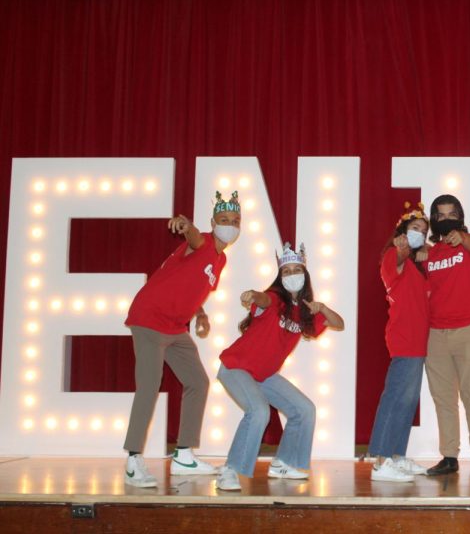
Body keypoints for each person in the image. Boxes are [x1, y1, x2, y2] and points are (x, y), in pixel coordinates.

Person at [123, 191, 242, 488]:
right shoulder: (201, 242)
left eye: (235, 220)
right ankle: (133, 459)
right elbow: (192, 237)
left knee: (198, 382)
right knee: (150, 384)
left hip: (176, 327)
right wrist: (185, 224)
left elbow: (190, 284)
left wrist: (199, 313)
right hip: (149, 319)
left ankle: (184, 455)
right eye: (224, 219)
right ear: (213, 223)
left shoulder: (221, 259)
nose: (230, 224)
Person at [214, 242, 344, 491]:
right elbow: (263, 298)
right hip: (235, 367)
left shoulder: (305, 312)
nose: (292, 275)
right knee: (259, 411)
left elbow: (339, 324)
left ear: (305, 276)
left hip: (263, 375)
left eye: (297, 270)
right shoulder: (274, 299)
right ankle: (230, 469)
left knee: (305, 409)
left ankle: (284, 463)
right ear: (279, 277)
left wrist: (323, 308)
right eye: (286, 271)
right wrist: (253, 294)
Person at [423, 194, 470, 481]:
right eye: (440, 215)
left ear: (460, 217)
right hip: (435, 333)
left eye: (452, 213)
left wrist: (462, 238)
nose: (446, 219)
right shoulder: (429, 254)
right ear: (433, 220)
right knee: (443, 398)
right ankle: (449, 456)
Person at [368, 202, 431, 482]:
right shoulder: (394, 254)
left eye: (424, 230)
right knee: (395, 398)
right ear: (403, 231)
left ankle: (396, 455)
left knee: (407, 401)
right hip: (404, 339)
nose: (419, 233)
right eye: (415, 228)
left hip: (419, 341)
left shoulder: (418, 267)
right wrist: (404, 248)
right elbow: (396, 262)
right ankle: (381, 460)